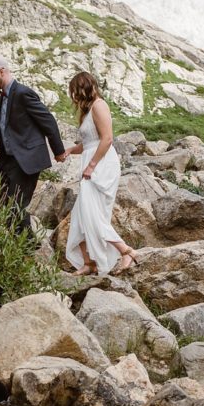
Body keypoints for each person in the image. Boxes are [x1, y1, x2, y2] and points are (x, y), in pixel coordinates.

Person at [63, 71, 138, 276]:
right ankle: (89, 263)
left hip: (102, 165)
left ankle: (126, 251)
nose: (73, 97)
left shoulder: (99, 105)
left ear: (83, 87)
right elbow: (88, 143)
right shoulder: (88, 111)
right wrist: (70, 150)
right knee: (81, 214)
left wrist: (92, 166)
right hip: (92, 161)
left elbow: (107, 139)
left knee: (93, 214)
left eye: (74, 91)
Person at [0, 55, 66, 234]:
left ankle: (27, 249)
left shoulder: (23, 93)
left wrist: (58, 150)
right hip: (8, 160)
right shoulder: (3, 97)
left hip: (26, 159)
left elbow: (48, 120)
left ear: (1, 71)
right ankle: (10, 245)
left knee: (16, 206)